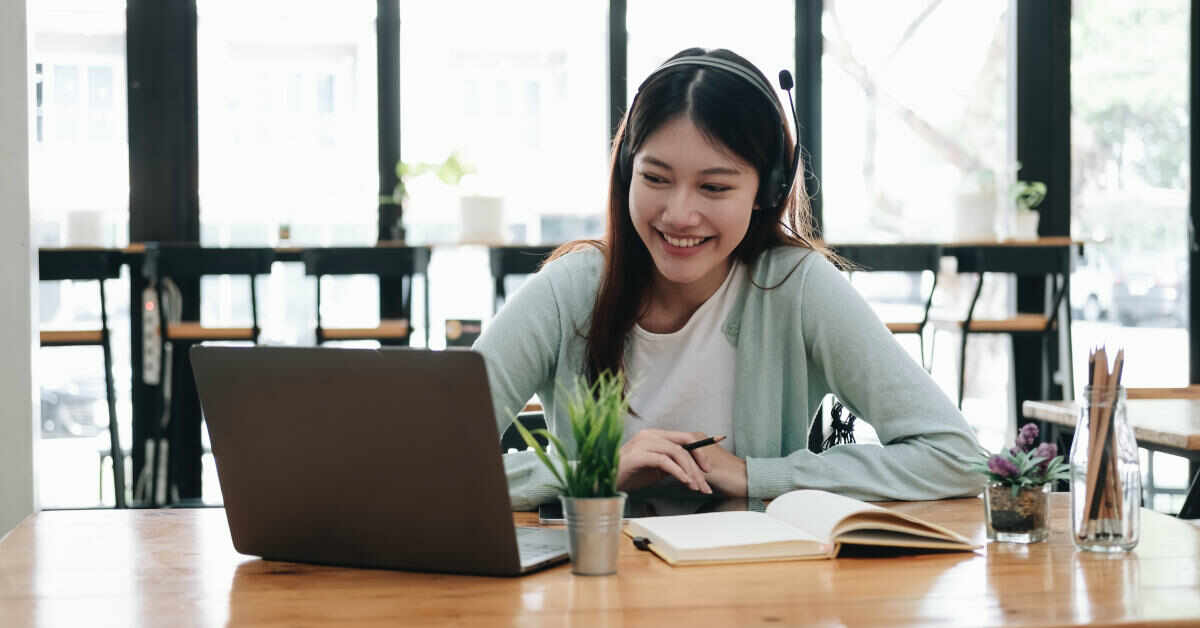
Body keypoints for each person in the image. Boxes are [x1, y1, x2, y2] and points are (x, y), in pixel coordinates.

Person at [475, 47, 985, 510]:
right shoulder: (573, 289)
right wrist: (595, 472)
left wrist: (755, 475)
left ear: (768, 191)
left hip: (754, 597)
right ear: (627, 172)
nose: (679, 214)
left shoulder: (796, 288)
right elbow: (427, 462)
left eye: (714, 187)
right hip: (601, 597)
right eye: (655, 178)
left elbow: (955, 456)